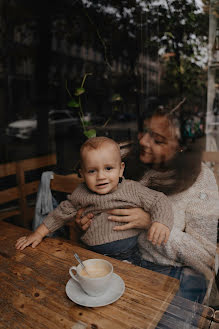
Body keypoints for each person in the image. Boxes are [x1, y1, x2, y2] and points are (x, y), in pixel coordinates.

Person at [75, 106, 219, 304]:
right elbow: (89, 188)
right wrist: (86, 217)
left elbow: (206, 258)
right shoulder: (124, 154)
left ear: (182, 147)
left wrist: (151, 223)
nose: (143, 141)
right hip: (117, 260)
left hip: (168, 274)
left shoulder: (202, 181)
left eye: (158, 140)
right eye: (144, 131)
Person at [16, 137, 173, 264]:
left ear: (121, 169)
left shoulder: (132, 189)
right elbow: (60, 214)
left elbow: (158, 200)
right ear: (82, 174)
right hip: (90, 254)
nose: (101, 176)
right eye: (92, 171)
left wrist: (161, 221)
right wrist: (38, 233)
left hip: (129, 255)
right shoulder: (81, 193)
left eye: (108, 168)